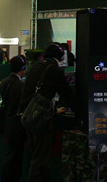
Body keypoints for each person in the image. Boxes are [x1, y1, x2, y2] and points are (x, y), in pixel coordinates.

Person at [19, 43, 76, 182]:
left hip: (29, 115)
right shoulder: (54, 70)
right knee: (41, 158)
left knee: (35, 154)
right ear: (60, 57)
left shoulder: (35, 66)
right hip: (41, 119)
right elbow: (67, 94)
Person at [0, 55, 27, 182]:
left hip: (8, 121)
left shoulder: (4, 82)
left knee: (10, 154)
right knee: (14, 156)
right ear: (23, 68)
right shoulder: (20, 85)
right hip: (17, 125)